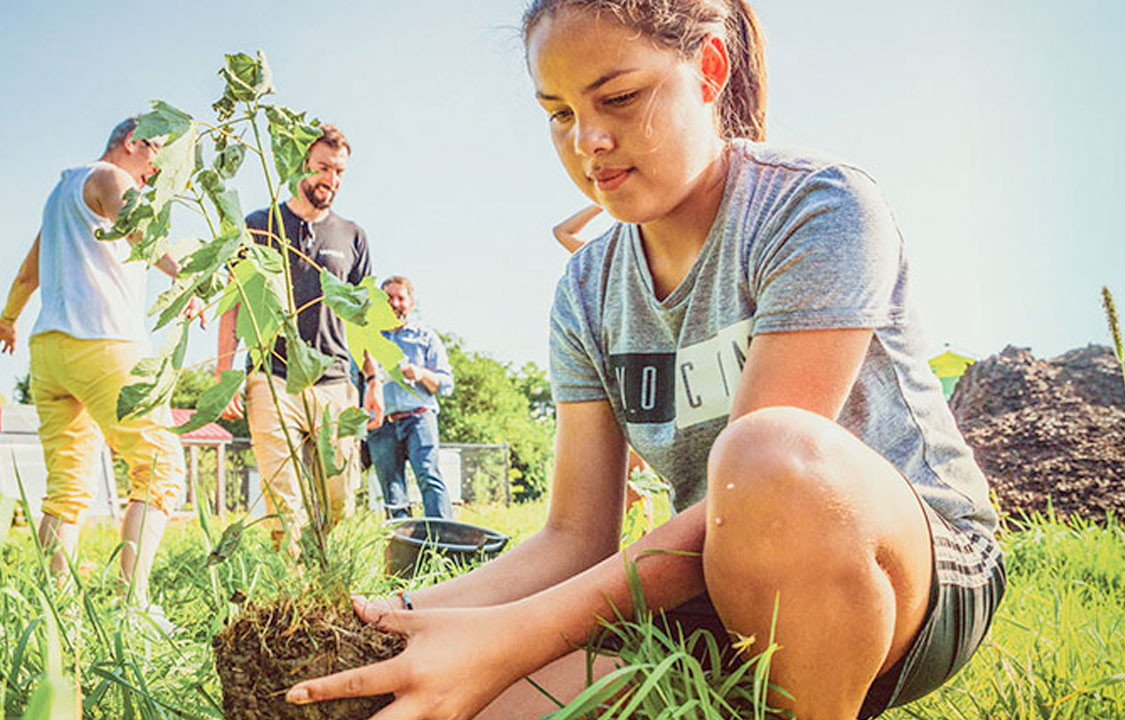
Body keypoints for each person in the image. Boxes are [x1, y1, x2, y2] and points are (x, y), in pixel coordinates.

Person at [287, 2, 1004, 719]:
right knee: (463, 705)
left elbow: (772, 488)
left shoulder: (817, 208)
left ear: (710, 70)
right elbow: (574, 537)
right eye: (559, 114)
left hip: (915, 573)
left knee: (768, 453)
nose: (589, 140)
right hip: (709, 588)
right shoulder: (586, 289)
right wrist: (384, 620)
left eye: (620, 97)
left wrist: (517, 635)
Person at [0, 116, 201, 618]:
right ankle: (133, 608)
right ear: (133, 143)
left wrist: (7, 320)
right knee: (160, 470)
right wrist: (188, 278)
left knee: (67, 489)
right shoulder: (112, 178)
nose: (159, 171)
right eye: (157, 156)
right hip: (104, 344)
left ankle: (54, 612)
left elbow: (29, 272)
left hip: (48, 351)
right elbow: (141, 233)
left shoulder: (61, 194)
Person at [216, 124, 380, 547]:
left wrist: (374, 380)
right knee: (283, 502)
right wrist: (225, 374)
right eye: (324, 168)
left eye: (340, 172)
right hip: (271, 379)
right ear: (299, 164)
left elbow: (363, 317)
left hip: (335, 382)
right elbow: (234, 301)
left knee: (340, 497)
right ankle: (292, 586)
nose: (332, 180)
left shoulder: (353, 236)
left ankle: (318, 557)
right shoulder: (257, 225)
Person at [366, 276, 455, 519]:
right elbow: (356, 382)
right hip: (382, 426)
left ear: (411, 303)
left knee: (428, 476)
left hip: (419, 419)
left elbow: (446, 384)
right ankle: (404, 548)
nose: (394, 303)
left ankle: (444, 540)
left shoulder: (425, 338)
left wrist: (420, 373)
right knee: (392, 490)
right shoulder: (370, 340)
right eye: (388, 298)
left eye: (400, 298)